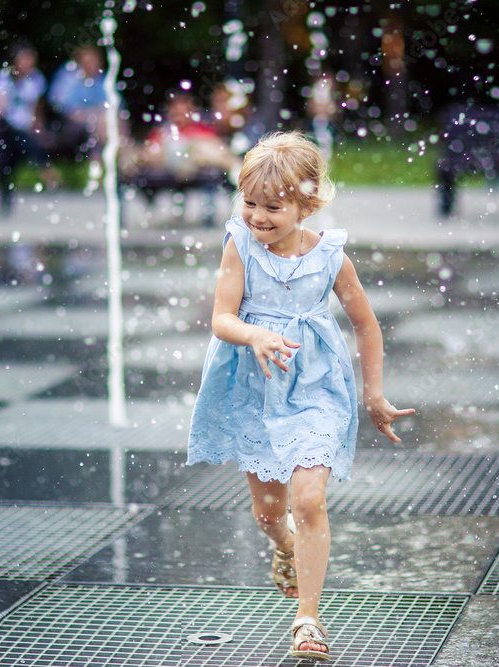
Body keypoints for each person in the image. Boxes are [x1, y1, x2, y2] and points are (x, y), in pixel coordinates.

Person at [186, 132, 415, 661]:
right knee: (269, 515)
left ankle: (307, 619)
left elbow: (367, 326)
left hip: (315, 387)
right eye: (249, 203)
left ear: (306, 205)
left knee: (309, 498)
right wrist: (256, 334)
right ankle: (285, 547)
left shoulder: (331, 257)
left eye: (273, 206)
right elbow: (221, 318)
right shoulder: (238, 245)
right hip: (254, 388)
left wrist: (374, 396)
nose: (258, 216)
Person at [0, 42, 57, 187]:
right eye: (25, 59)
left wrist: (38, 127)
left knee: (23, 140)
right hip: (2, 129)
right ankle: (45, 168)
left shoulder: (36, 79)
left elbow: (36, 111)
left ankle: (39, 169)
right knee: (17, 137)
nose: (29, 64)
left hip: (26, 129)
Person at [47, 44, 108, 156]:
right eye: (87, 62)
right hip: (67, 126)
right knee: (99, 124)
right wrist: (91, 116)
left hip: (96, 123)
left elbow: (114, 107)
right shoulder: (68, 77)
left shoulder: (101, 80)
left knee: (111, 122)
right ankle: (100, 160)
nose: (91, 65)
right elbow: (63, 108)